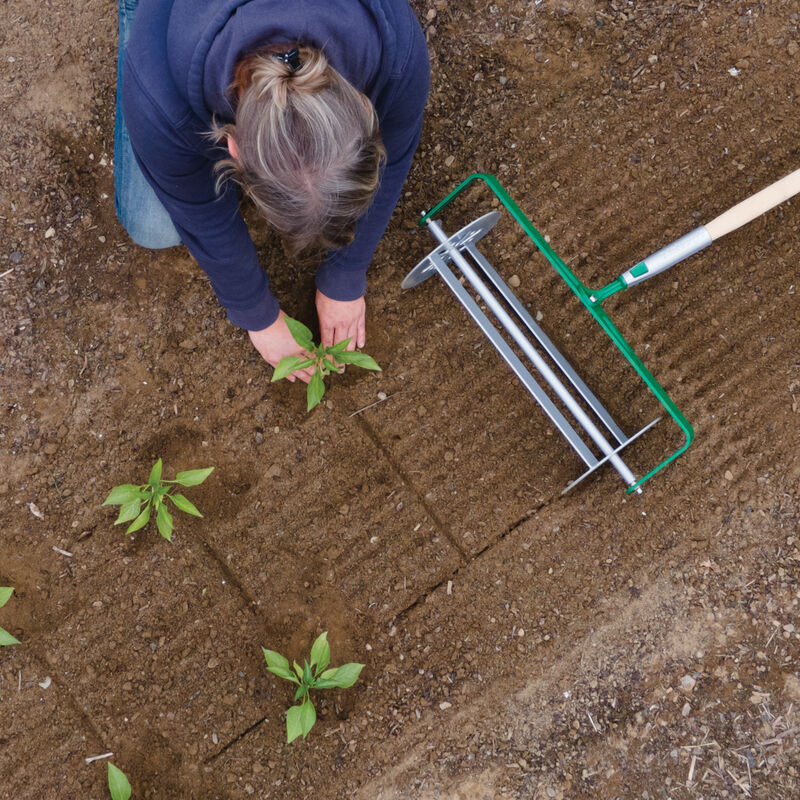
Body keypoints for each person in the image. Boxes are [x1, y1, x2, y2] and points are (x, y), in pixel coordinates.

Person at [115, 0, 430, 383]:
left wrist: (346, 274)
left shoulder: (397, 53)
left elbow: (392, 158)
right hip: (173, 34)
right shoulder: (159, 103)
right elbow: (199, 211)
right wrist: (256, 313)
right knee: (153, 227)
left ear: (367, 111)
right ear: (232, 149)